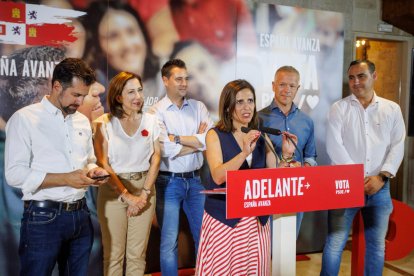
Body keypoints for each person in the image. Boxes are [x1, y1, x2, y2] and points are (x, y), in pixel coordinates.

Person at [4, 58, 109, 275]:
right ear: (57, 86)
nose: (80, 102)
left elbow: (88, 159)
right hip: (42, 219)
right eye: (76, 95)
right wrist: (66, 178)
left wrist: (94, 170)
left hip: (81, 217)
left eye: (83, 95)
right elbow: (14, 175)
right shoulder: (24, 119)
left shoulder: (80, 120)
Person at [195, 79, 297, 275]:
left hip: (256, 220)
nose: (246, 107)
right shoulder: (215, 135)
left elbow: (273, 173)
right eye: (239, 102)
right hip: (224, 219)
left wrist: (287, 154)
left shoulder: (261, 134)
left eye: (250, 101)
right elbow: (217, 176)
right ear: (227, 106)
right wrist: (243, 153)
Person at [320, 60, 405, 275]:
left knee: (376, 246)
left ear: (374, 76)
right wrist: (356, 178)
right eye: (351, 77)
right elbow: (334, 146)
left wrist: (381, 177)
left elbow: (398, 145)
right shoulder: (339, 109)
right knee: (335, 243)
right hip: (345, 187)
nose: (356, 82)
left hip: (380, 188)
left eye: (361, 76)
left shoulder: (391, 109)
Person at [149, 59, 213, 275]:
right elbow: (164, 149)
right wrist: (196, 141)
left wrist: (175, 138)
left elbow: (209, 141)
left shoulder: (199, 107)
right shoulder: (155, 112)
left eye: (186, 78)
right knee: (169, 242)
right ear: (165, 80)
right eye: (178, 79)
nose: (184, 83)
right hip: (168, 183)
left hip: (196, 181)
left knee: (204, 238)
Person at [93, 71, 161, 276]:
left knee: (137, 255)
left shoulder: (151, 120)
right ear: (118, 97)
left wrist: (143, 195)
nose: (138, 97)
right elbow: (102, 162)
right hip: (113, 193)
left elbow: (156, 157)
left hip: (145, 191)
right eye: (131, 92)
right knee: (113, 256)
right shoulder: (103, 123)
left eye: (139, 90)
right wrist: (126, 196)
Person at [259, 65, 317, 238]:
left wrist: (306, 167)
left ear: (297, 88)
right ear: (273, 85)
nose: (287, 90)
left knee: (289, 242)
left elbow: (311, 156)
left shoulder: (307, 121)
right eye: (282, 84)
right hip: (266, 192)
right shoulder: (258, 119)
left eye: (292, 86)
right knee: (265, 246)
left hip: (296, 192)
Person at [83, 1, 160, 107]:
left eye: (131, 31)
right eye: (113, 36)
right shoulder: (96, 101)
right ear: (98, 49)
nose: (127, 45)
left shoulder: (169, 77)